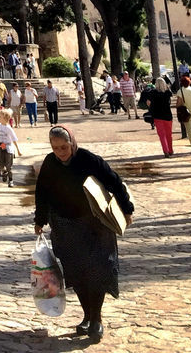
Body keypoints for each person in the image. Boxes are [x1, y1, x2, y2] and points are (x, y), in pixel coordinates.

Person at [34, 125, 135, 343]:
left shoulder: (88, 160)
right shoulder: (50, 163)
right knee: (76, 272)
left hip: (95, 225)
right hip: (65, 225)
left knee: (98, 269)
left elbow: (115, 182)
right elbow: (42, 191)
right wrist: (39, 220)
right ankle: (87, 316)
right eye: (56, 148)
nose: (61, 152)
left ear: (72, 143)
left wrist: (127, 209)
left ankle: (96, 319)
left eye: (64, 147)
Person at [0, 107, 22, 186]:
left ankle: (10, 180)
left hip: (8, 147)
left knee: (9, 166)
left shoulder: (9, 128)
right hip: (1, 146)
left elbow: (14, 139)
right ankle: (4, 172)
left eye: (0, 117)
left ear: (5, 118)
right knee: (1, 166)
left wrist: (18, 150)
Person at [148, 77, 174, 156]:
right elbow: (170, 101)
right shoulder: (167, 93)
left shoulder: (153, 93)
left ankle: (165, 150)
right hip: (167, 115)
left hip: (158, 115)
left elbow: (149, 103)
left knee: (162, 135)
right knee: (169, 134)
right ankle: (170, 150)